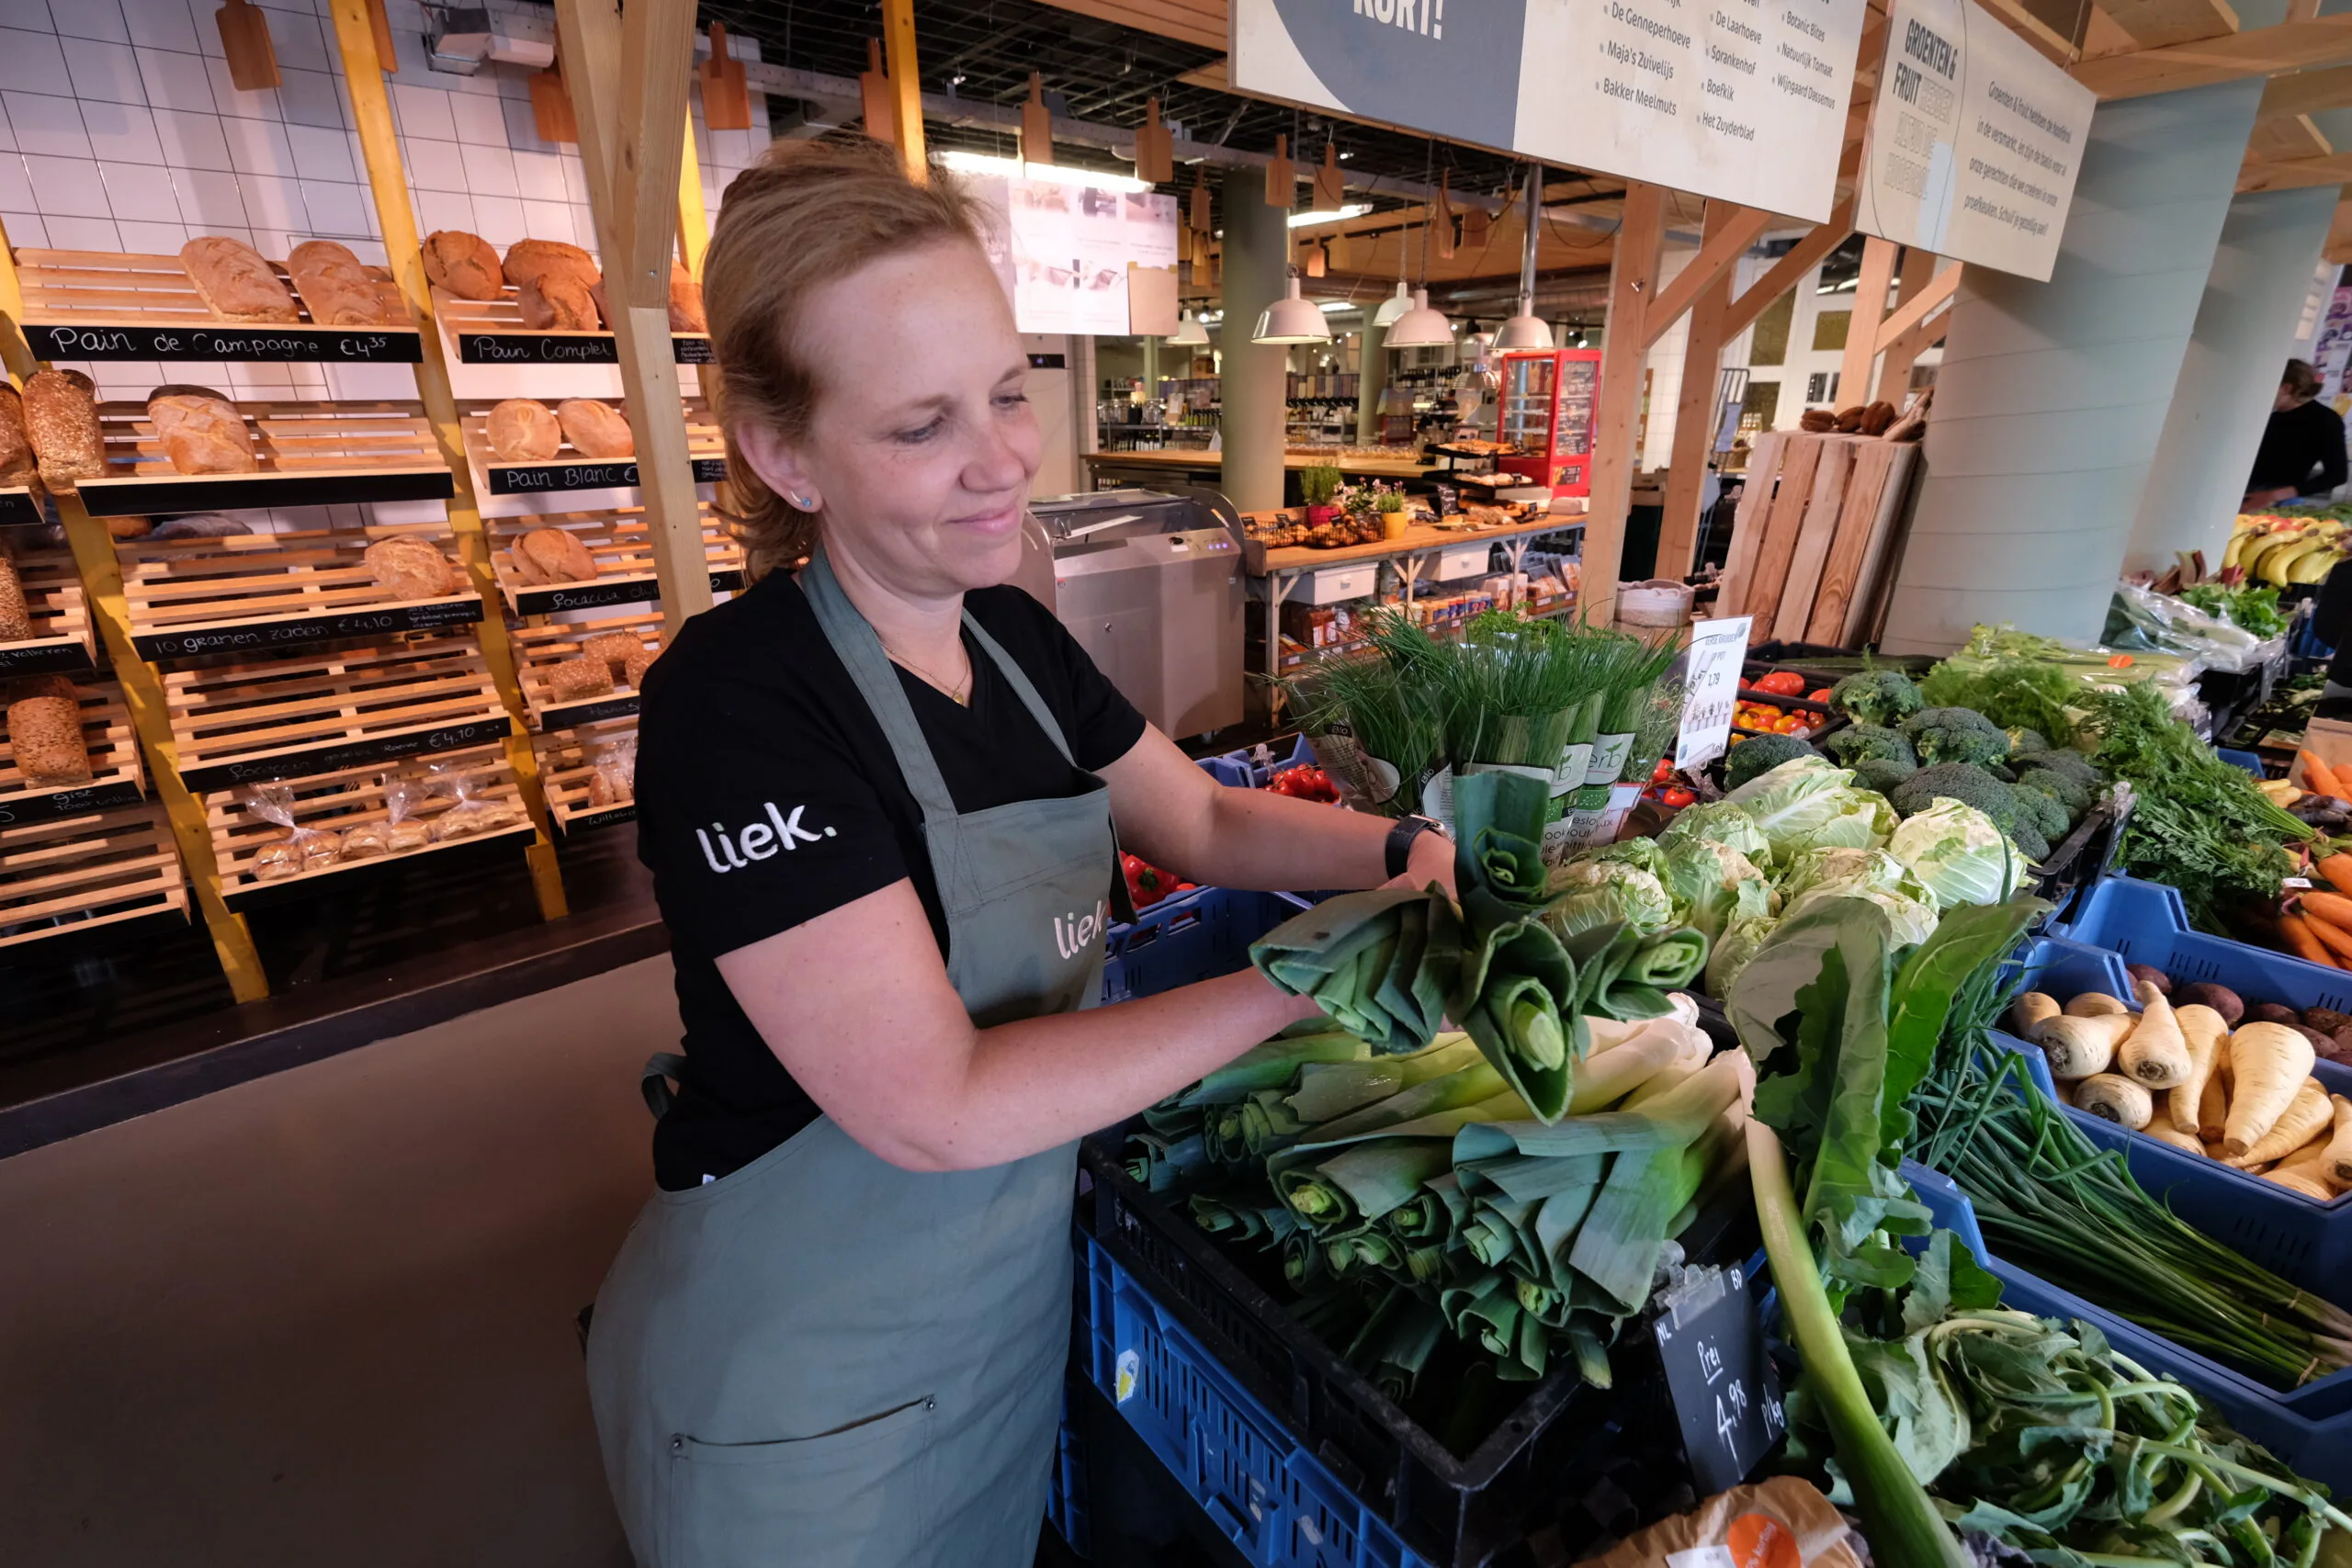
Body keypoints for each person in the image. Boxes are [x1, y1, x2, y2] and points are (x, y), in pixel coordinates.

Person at [584, 140, 1458, 1568]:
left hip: (1000, 1303)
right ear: (782, 451)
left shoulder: (1017, 635)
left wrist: (1404, 850)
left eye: (1006, 393)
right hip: (810, 1368)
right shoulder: (740, 705)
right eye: (922, 425)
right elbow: (933, 1102)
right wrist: (1317, 976)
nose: (1000, 461)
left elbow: (1209, 820)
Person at [2245, 358, 2346, 510]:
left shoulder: (2325, 420)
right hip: (2246, 492)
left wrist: (2274, 495)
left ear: (2286, 388)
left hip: (2280, 501)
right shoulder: (2270, 415)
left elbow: (2337, 475)